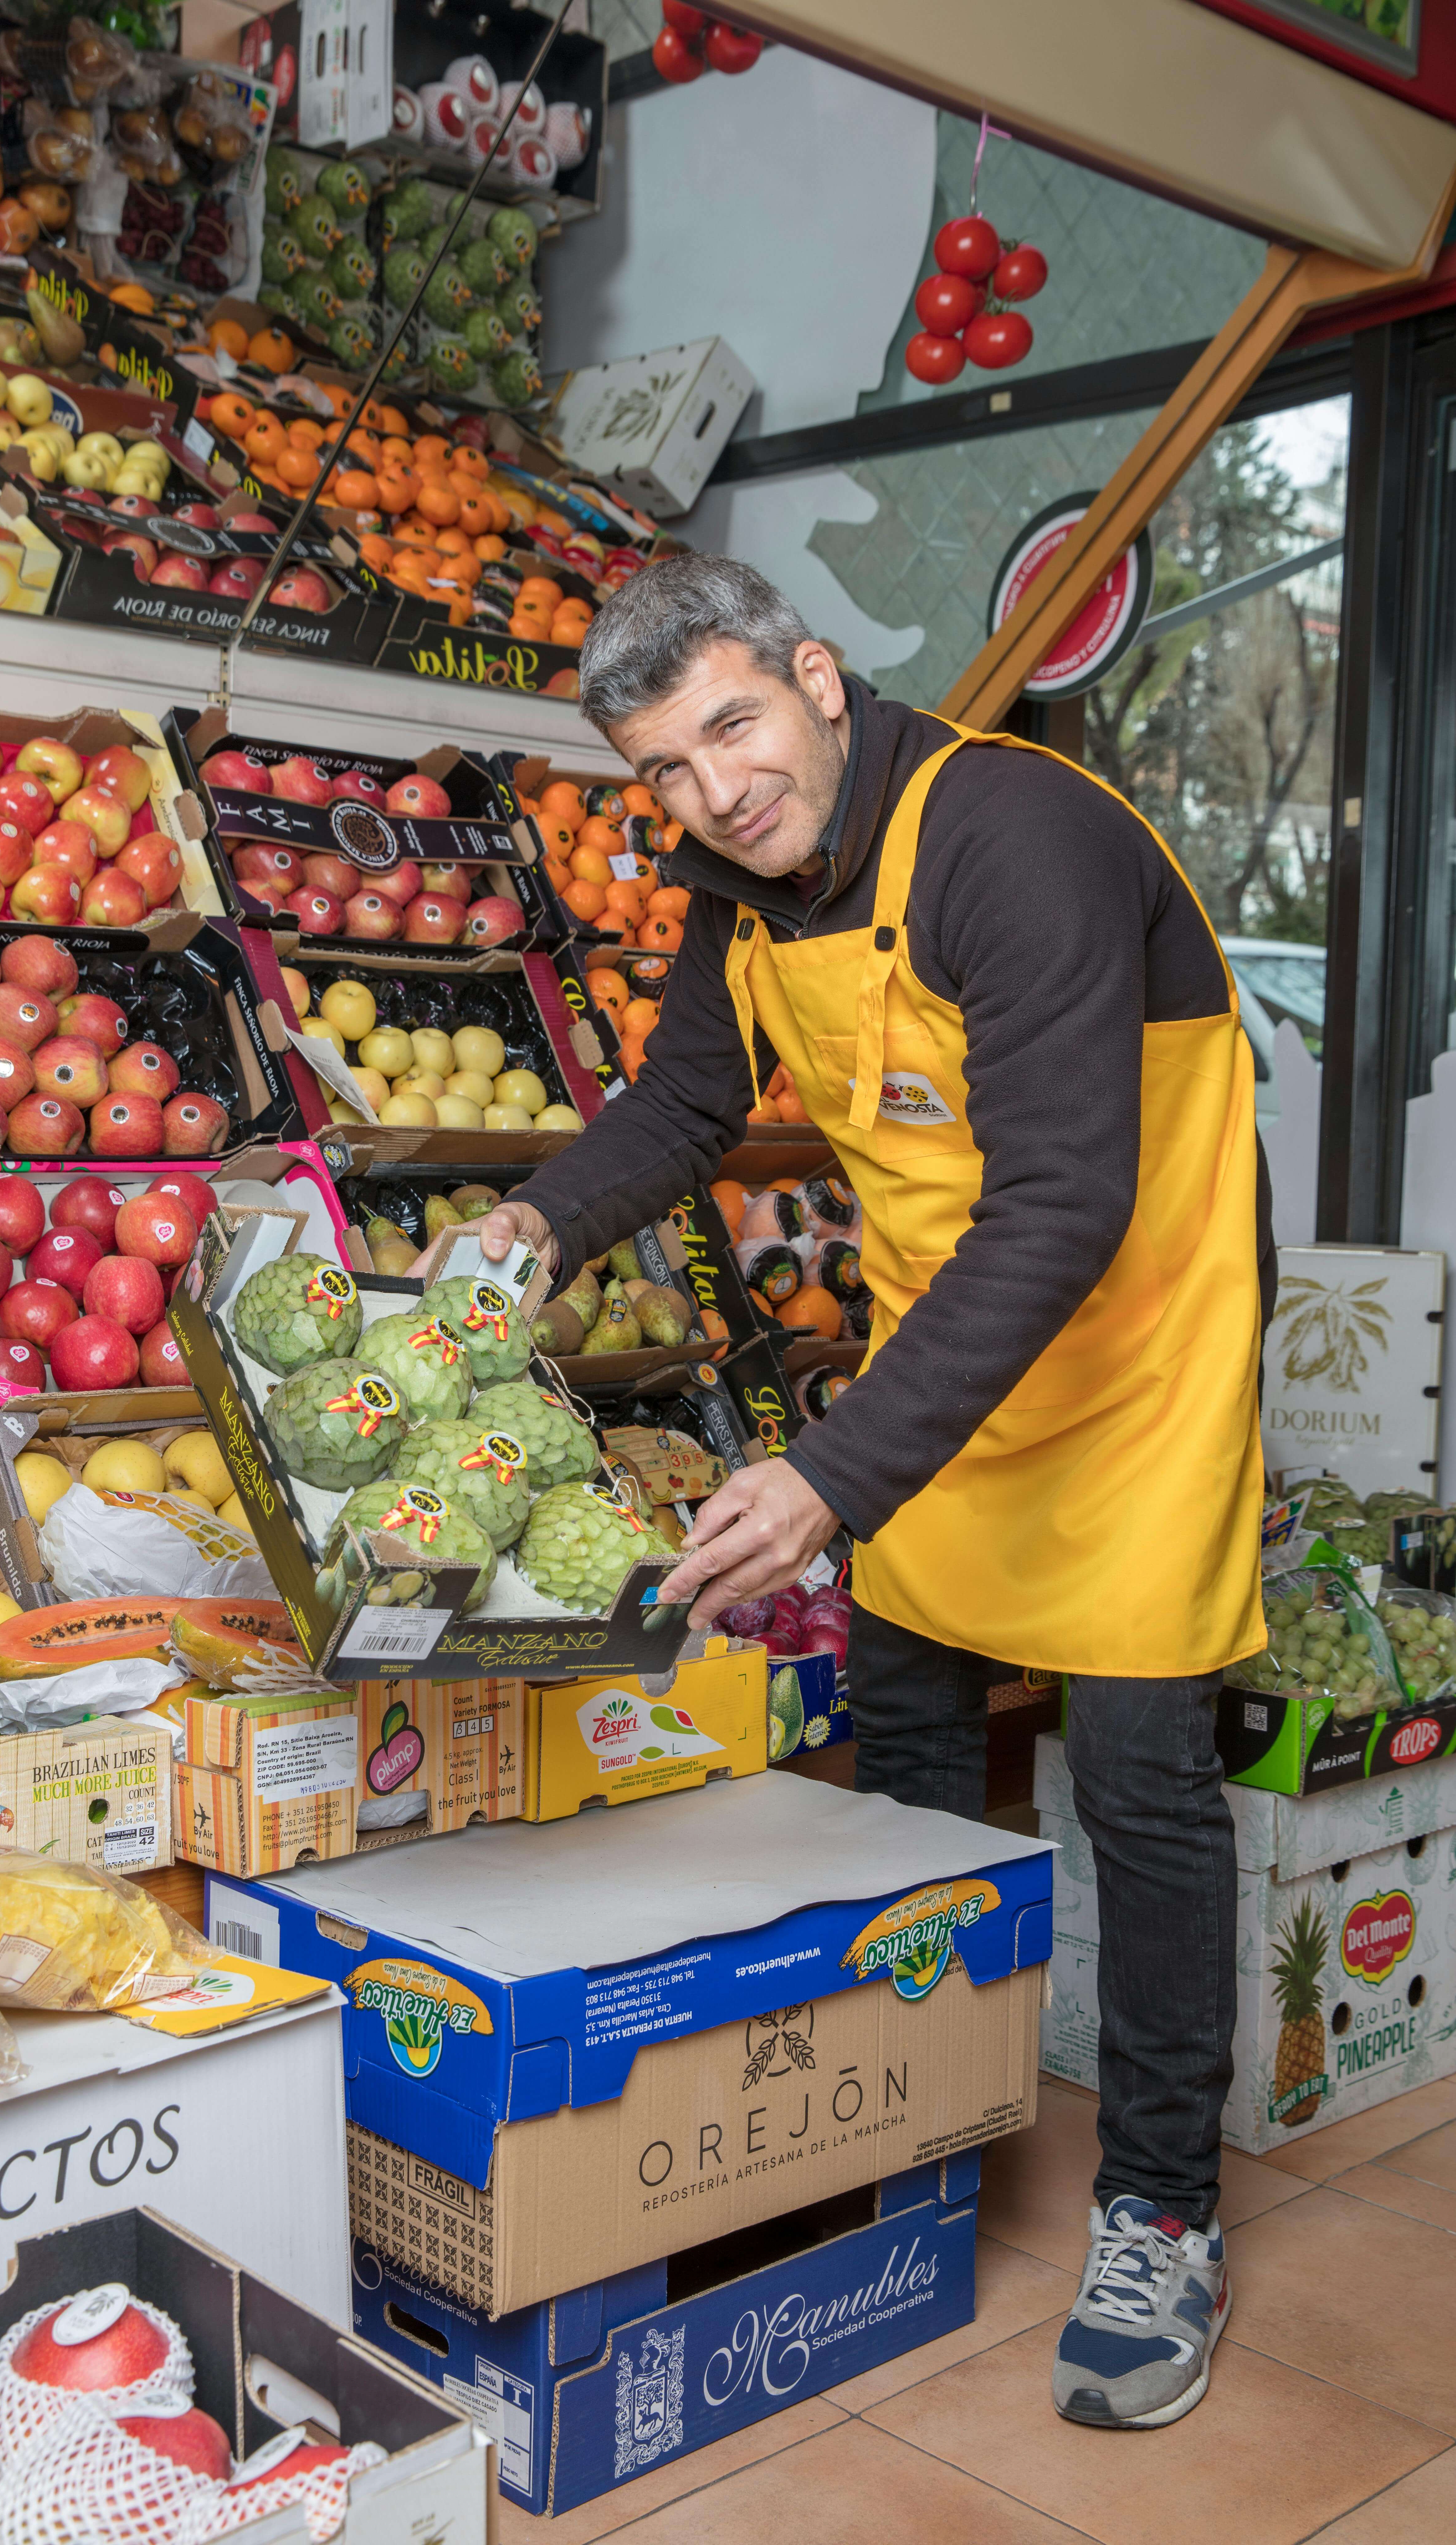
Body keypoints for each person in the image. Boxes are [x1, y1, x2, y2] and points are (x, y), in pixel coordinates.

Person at [436, 554, 1269, 2430]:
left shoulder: (1013, 838)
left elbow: (1065, 1200)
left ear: (815, 679)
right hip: (942, 1384)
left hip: (1132, 1382)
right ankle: (916, 2110)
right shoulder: (744, 888)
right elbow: (679, 1107)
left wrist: (825, 1475)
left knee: (1135, 1793)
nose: (713, 790)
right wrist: (532, 1225)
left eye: (731, 725)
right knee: (902, 1755)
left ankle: (1159, 2207)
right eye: (663, 768)